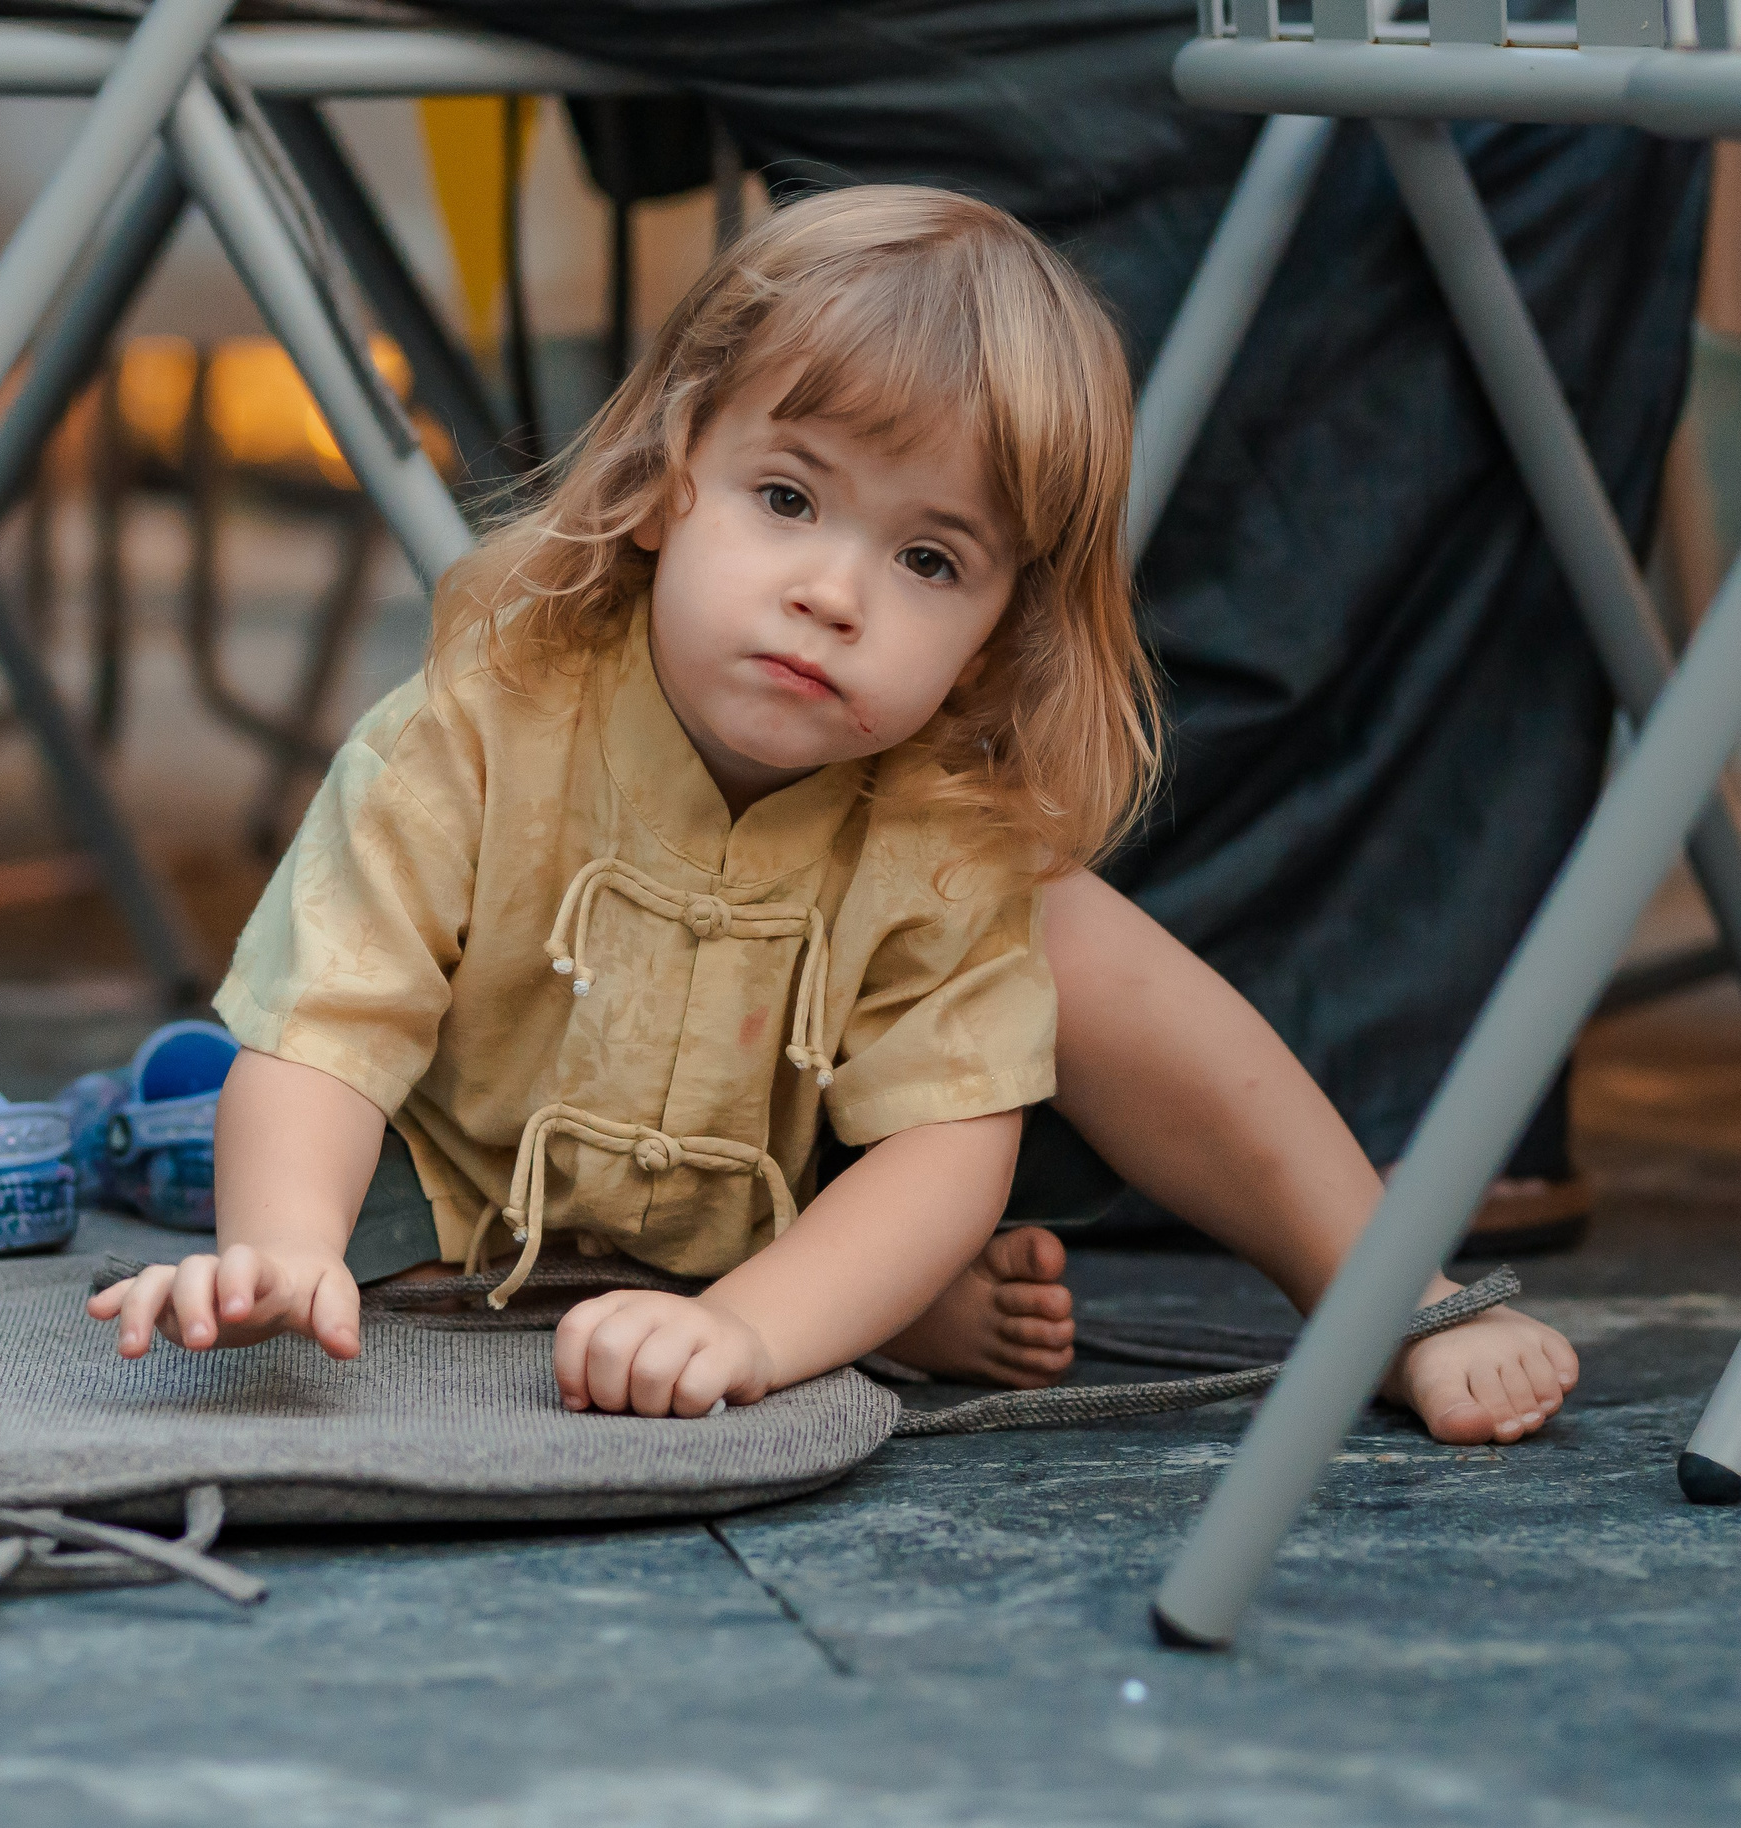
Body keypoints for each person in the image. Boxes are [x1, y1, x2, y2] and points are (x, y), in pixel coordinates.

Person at [87, 186, 1577, 1445]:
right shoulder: (485, 726)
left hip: (750, 1206)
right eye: (789, 500)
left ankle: (1381, 1286)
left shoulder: (931, 829)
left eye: (930, 561)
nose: (834, 593)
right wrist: (278, 1248)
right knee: (277, 1156)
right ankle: (857, 1299)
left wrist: (748, 1334)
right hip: (429, 1222)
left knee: (1063, 927)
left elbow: (948, 1153)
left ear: (997, 634)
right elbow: (330, 1030)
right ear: (672, 481)